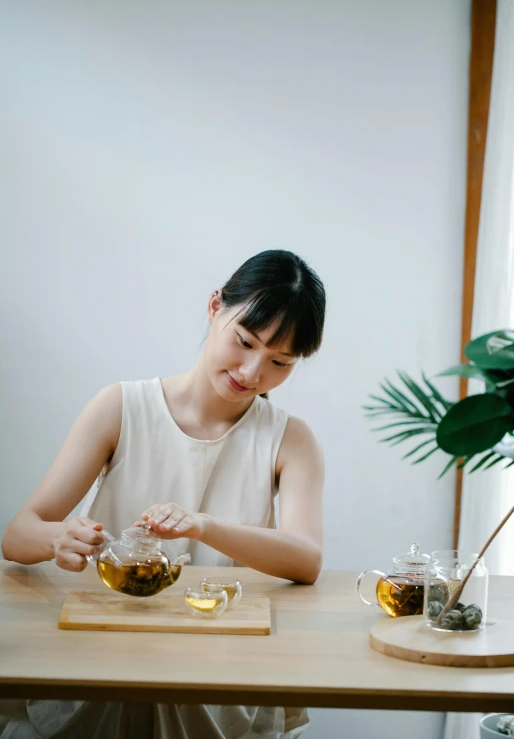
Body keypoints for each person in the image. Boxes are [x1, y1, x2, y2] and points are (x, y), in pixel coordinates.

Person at [1, 249, 326, 739]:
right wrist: (56, 539)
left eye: (280, 361)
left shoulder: (290, 439)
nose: (254, 372)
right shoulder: (121, 406)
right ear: (215, 306)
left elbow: (306, 560)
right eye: (244, 341)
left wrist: (204, 525)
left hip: (222, 669)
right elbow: (18, 535)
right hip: (105, 659)